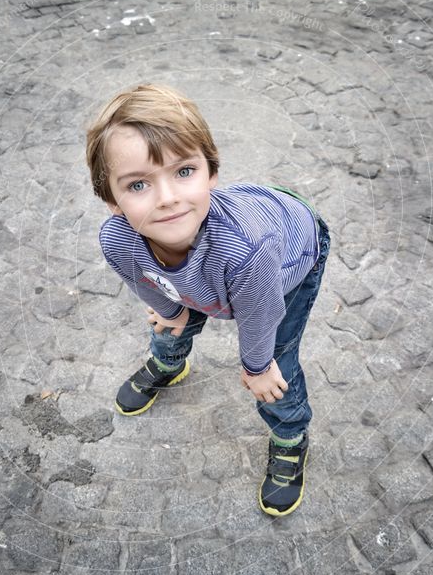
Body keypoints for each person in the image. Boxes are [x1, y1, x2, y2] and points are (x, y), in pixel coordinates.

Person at [86, 83, 331, 516]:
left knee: (277, 361)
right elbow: (141, 278)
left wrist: (256, 368)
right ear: (111, 200)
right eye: (139, 184)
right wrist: (171, 309)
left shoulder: (250, 251)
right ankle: (168, 363)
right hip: (216, 273)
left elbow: (261, 314)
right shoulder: (117, 238)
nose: (168, 199)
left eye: (184, 172)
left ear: (211, 173)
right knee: (168, 320)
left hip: (289, 257)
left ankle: (290, 437)